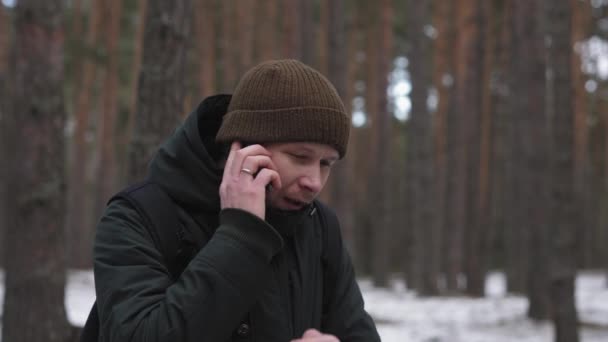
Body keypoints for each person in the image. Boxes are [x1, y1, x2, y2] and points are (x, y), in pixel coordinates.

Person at [93, 59, 381, 342]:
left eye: (326, 163)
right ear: (245, 147)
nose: (314, 182)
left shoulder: (319, 225)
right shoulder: (138, 216)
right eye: (300, 157)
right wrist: (241, 235)